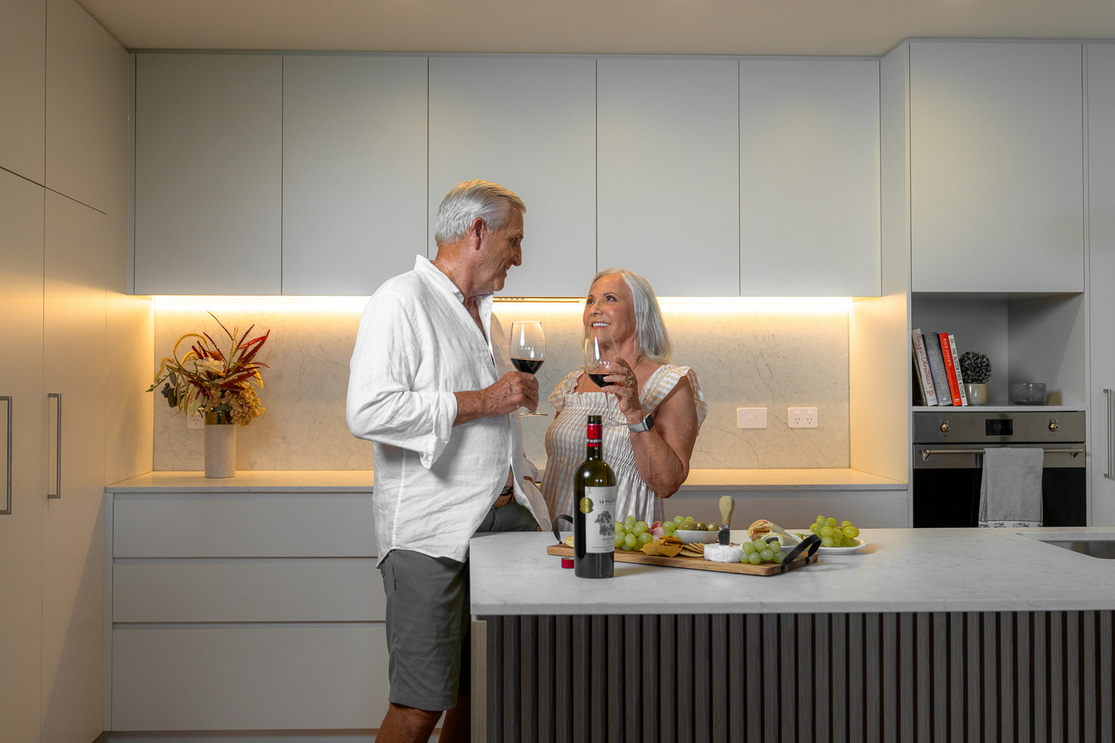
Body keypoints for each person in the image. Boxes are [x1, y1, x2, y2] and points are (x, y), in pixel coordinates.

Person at [346, 180, 550, 743]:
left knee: (479, 696)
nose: (519, 256)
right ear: (477, 232)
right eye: (514, 240)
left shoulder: (487, 316)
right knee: (419, 706)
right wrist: (487, 400)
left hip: (505, 523)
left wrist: (522, 466)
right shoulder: (401, 300)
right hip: (431, 536)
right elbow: (368, 410)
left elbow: (491, 422)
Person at [541, 268, 707, 525]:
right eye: (590, 301)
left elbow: (667, 483)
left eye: (610, 299)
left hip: (620, 535)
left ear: (641, 313)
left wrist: (634, 412)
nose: (595, 309)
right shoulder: (572, 384)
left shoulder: (670, 382)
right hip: (555, 533)